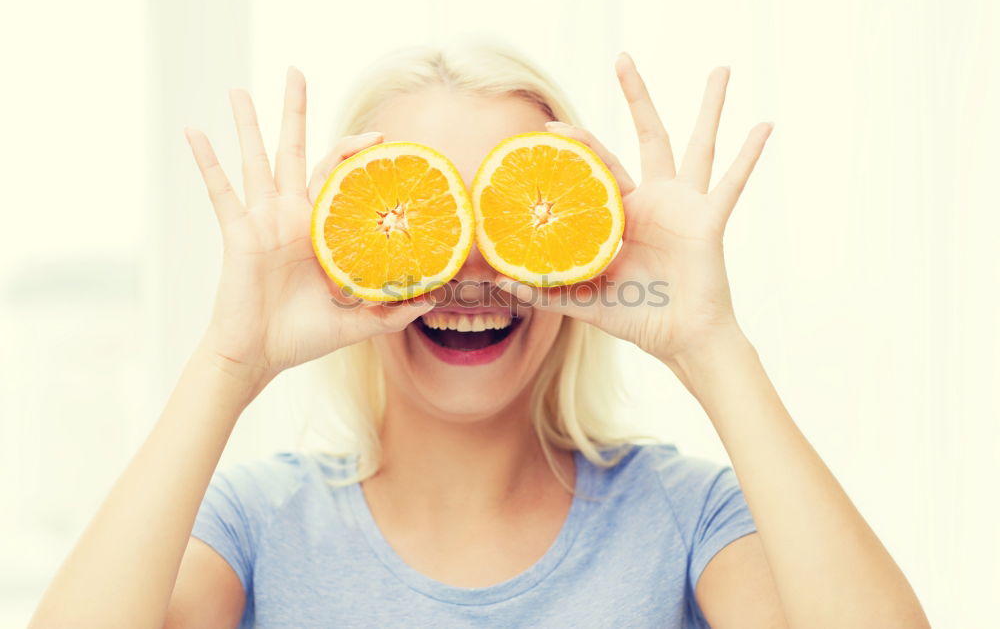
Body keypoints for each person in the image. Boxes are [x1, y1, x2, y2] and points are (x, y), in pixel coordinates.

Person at [29, 39, 930, 628]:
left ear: (587, 239)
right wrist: (228, 363)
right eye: (423, 216)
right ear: (345, 247)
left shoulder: (688, 517)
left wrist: (712, 345)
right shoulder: (256, 524)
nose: (468, 271)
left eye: (508, 214)